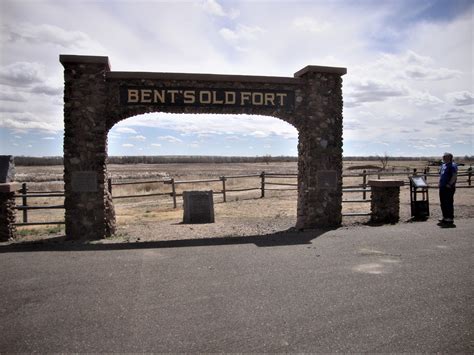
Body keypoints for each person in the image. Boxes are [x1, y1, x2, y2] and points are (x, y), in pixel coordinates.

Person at [438, 152, 457, 225]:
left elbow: (454, 175)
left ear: (449, 157)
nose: (443, 157)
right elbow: (442, 175)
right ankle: (445, 217)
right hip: (442, 187)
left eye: (444, 156)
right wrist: (440, 183)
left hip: (448, 187)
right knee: (442, 202)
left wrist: (450, 184)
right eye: (443, 156)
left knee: (448, 202)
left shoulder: (452, 165)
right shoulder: (443, 165)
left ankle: (449, 218)